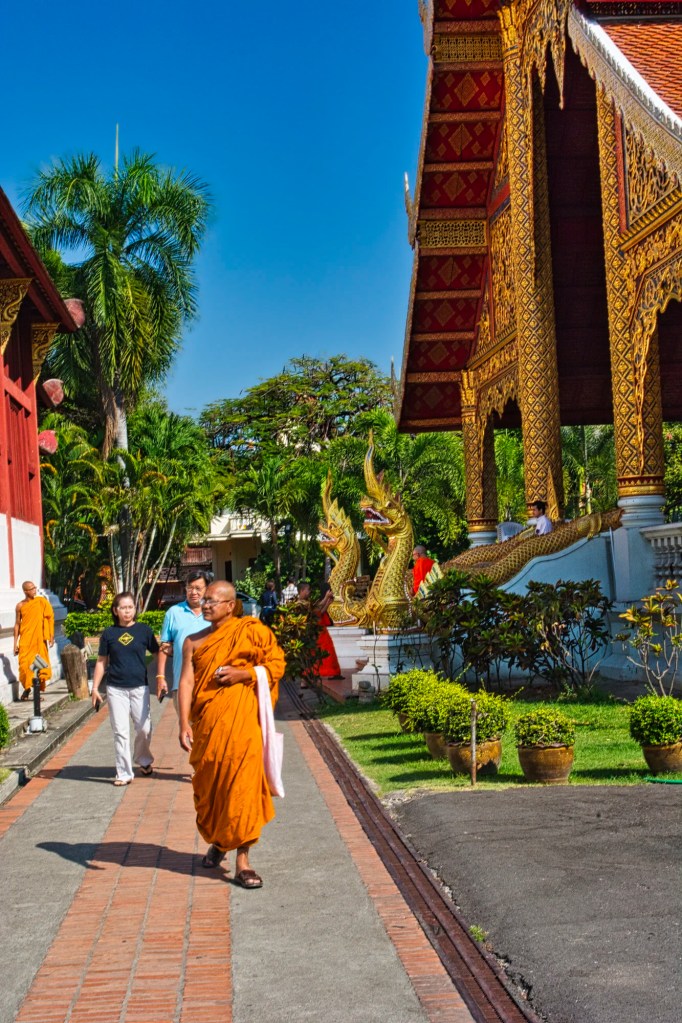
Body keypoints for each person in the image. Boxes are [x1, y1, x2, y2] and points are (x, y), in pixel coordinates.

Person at [178, 580, 286, 887]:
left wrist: (245, 673)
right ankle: (219, 842)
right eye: (205, 600)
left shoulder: (252, 631)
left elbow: (276, 665)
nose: (206, 604)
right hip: (209, 728)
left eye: (213, 600)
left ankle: (243, 861)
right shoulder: (193, 641)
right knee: (210, 787)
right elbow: (186, 683)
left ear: (230, 606)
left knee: (243, 788)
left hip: (243, 726)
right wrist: (183, 723)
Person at [91, 592, 159, 786]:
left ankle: (143, 759)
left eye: (130, 607)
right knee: (120, 731)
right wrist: (95, 688)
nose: (127, 611)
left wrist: (161, 677)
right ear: (115, 610)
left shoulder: (144, 631)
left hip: (140, 687)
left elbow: (157, 654)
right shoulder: (109, 633)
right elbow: (102, 662)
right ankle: (124, 773)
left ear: (135, 609)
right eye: (123, 607)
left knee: (144, 729)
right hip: (115, 689)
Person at [156, 571, 211, 715]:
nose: (193, 592)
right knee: (187, 731)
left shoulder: (214, 612)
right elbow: (164, 647)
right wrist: (161, 677)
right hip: (182, 685)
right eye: (190, 588)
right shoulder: (173, 613)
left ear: (207, 589)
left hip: (210, 685)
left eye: (198, 588)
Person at [14, 581, 54, 700]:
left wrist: (51, 636)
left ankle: (36, 694)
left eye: (35, 588)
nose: (34, 590)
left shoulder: (41, 602)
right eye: (31, 589)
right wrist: (15, 643)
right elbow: (17, 624)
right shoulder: (20, 606)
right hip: (25, 640)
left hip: (38, 640)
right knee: (25, 667)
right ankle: (26, 689)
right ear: (25, 591)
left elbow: (49, 617)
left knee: (39, 666)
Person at [315, 582, 342, 680]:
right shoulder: (305, 603)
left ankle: (334, 672)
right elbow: (316, 609)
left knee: (329, 651)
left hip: (322, 631)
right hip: (318, 632)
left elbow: (320, 612)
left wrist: (328, 603)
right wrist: (326, 598)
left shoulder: (316, 601)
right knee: (324, 652)